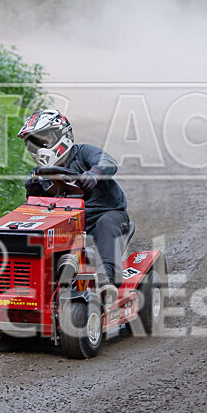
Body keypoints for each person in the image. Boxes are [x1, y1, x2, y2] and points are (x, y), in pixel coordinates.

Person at [18, 109, 129, 302]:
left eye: (42, 141)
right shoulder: (40, 174)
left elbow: (108, 161)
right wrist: (32, 189)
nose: (38, 149)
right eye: (33, 144)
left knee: (106, 222)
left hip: (105, 218)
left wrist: (94, 174)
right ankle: (25, 282)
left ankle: (106, 281)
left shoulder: (82, 153)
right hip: (67, 225)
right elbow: (36, 208)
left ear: (61, 136)